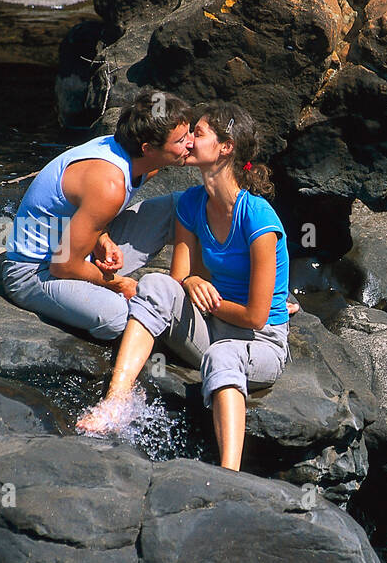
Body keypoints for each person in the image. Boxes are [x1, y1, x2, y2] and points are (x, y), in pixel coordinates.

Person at [77, 102, 291, 471]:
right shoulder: (192, 202)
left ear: (226, 148)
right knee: (156, 283)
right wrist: (191, 280)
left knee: (223, 356)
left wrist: (206, 300)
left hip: (260, 341)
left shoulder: (258, 218)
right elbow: (177, 279)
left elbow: (256, 317)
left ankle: (229, 473)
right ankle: (116, 401)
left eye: (199, 133)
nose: (188, 141)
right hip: (211, 328)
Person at [1, 89, 196, 339]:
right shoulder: (109, 183)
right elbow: (63, 266)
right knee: (120, 317)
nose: (190, 143)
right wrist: (117, 283)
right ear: (148, 149)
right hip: (36, 271)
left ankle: (193, 290)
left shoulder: (142, 162)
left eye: (189, 132)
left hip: (73, 251)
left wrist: (102, 238)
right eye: (180, 141)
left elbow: (84, 211)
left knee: (183, 205)